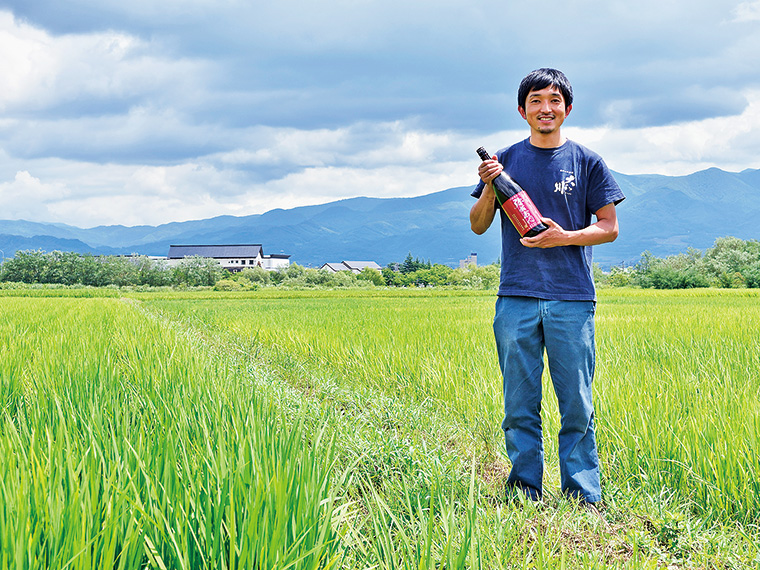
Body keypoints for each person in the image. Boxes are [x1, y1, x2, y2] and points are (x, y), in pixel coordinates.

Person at [470, 68, 625, 505]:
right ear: (523, 110)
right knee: (519, 403)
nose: (546, 108)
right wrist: (487, 187)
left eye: (554, 100)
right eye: (536, 100)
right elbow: (479, 226)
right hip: (516, 295)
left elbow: (609, 228)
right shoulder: (504, 162)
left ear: (567, 109)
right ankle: (524, 492)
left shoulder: (587, 161)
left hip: (571, 297)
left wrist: (566, 236)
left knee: (576, 403)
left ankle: (582, 496)